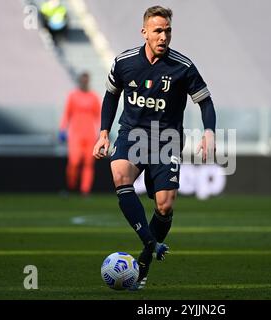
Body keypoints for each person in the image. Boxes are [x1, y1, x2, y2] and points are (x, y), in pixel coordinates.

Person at [93, 6, 216, 290]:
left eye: (168, 31)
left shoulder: (182, 67)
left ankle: (144, 264)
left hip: (166, 140)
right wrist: (103, 133)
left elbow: (205, 102)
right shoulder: (124, 63)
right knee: (120, 176)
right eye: (158, 31)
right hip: (131, 135)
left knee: (165, 204)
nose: (163, 36)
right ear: (144, 32)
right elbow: (111, 97)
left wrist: (209, 132)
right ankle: (152, 243)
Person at [60, 72, 101, 196]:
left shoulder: (94, 96)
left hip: (90, 135)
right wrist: (62, 129)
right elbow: (67, 114)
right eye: (82, 80)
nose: (84, 82)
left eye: (86, 80)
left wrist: (102, 132)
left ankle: (85, 190)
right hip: (75, 135)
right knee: (74, 162)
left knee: (88, 163)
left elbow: (99, 116)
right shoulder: (73, 96)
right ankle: (71, 185)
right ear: (79, 81)